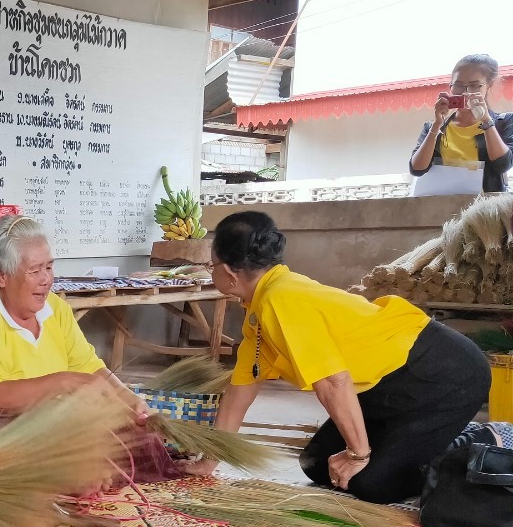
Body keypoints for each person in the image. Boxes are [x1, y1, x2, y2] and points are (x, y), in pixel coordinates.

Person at [189, 210, 491, 504]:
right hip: (384, 387)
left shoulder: (280, 299)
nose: (210, 271)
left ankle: (467, 442)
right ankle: (412, 441)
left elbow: (334, 383)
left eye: (210, 265)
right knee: (318, 464)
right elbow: (239, 392)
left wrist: (358, 454)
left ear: (229, 272)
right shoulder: (259, 308)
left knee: (371, 483)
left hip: (443, 374)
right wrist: (210, 460)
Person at [0, 215, 150, 452]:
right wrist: (64, 382)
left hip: (37, 414)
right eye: (34, 270)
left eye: (49, 267)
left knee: (132, 434)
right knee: (50, 444)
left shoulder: (56, 309)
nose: (46, 279)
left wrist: (127, 398)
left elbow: (88, 365)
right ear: (2, 275)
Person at [409, 53, 512, 193]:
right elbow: (417, 169)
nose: (464, 92)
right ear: (450, 86)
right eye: (458, 85)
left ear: (489, 85)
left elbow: (502, 165)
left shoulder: (503, 122)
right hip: (443, 204)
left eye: (474, 85)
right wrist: (437, 125)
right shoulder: (433, 127)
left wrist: (486, 120)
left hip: (485, 206)